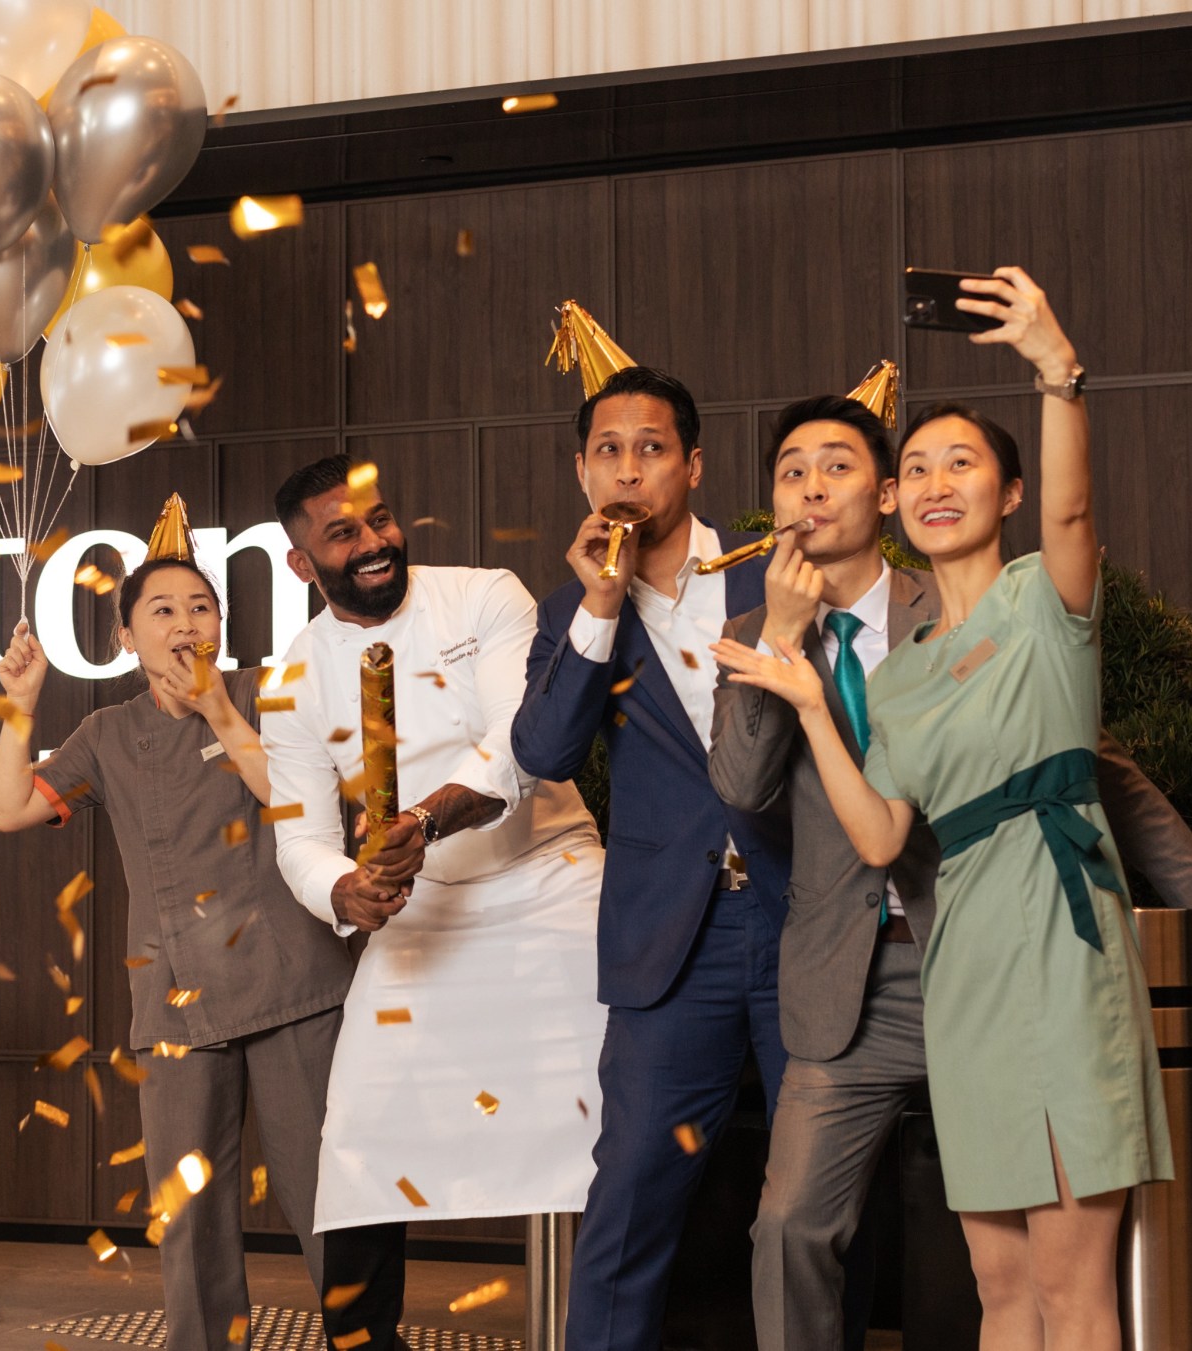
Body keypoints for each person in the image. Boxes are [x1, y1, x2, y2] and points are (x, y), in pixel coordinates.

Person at [713, 268, 1192, 1351]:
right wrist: (809, 699)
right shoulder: (901, 672)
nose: (936, 480)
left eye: (963, 463)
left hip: (1057, 954)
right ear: (895, 501)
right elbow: (877, 835)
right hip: (960, 982)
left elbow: (1076, 507)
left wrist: (1056, 372)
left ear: (1006, 494)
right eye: (917, 466)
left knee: (1073, 1289)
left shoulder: (1049, 598)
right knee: (1001, 1290)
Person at [258, 454, 606, 1351]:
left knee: (618, 1117)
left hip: (552, 878)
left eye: (379, 520)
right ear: (302, 564)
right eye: (342, 533)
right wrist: (345, 889)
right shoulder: (290, 678)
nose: (374, 543)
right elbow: (297, 834)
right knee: (359, 1141)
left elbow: (521, 742)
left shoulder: (483, 594)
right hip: (420, 914)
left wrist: (420, 819)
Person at [0, 500, 352, 1351]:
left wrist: (222, 713)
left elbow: (301, 802)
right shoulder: (106, 731)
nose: (185, 622)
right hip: (176, 1000)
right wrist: (20, 703)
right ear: (124, 638)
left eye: (201, 607)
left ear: (221, 626)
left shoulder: (267, 693)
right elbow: (8, 809)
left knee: (327, 1198)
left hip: (294, 982)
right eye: (162, 609)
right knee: (191, 1219)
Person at [510, 366, 793, 1350]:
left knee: (818, 1215)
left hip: (803, 920)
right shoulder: (571, 612)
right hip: (670, 942)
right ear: (583, 470)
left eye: (652, 447)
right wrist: (597, 604)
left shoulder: (775, 574)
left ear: (693, 465)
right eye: (608, 450)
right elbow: (543, 751)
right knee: (627, 1197)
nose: (629, 468)